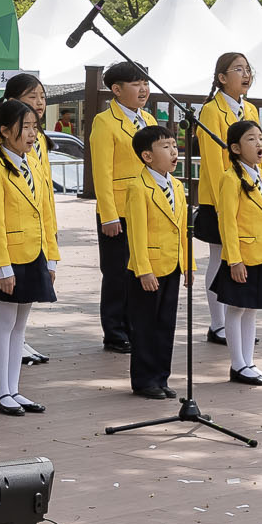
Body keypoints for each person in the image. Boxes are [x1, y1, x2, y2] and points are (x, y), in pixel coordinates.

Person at [0, 98, 58, 415]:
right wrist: (3, 268)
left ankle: (14, 389)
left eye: (35, 127)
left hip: (34, 253)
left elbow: (45, 211)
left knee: (20, 326)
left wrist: (51, 257)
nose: (33, 134)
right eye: (26, 127)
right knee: (5, 321)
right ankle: (0, 392)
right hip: (7, 258)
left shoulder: (33, 162)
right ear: (6, 131)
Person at [90, 62, 159, 354]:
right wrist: (108, 214)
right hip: (118, 209)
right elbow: (102, 173)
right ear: (116, 90)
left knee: (142, 266)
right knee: (118, 272)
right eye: (135, 83)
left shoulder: (150, 119)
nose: (143, 89)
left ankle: (136, 326)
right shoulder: (105, 122)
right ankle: (115, 332)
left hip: (146, 207)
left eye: (145, 82)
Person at [196, 51, 262, 348]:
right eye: (238, 69)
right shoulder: (211, 111)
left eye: (248, 69)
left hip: (248, 196)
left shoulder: (252, 109)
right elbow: (213, 162)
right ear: (222, 78)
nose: (245, 74)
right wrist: (228, 195)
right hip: (220, 196)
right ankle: (218, 323)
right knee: (218, 256)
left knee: (240, 255)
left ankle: (234, 321)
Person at [122, 122, 191, 399]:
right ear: (146, 156)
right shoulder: (138, 188)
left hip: (172, 265)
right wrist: (143, 270)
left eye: (174, 146)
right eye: (165, 147)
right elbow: (136, 234)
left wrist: (188, 264)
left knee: (166, 325)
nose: (173, 151)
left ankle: (162, 377)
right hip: (148, 269)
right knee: (145, 326)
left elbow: (183, 228)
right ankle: (144, 380)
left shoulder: (176, 185)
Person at [207, 118, 262, 384]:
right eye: (251, 139)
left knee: (252, 310)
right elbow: (227, 222)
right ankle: (237, 364)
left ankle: (249, 362)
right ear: (235, 148)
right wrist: (234, 260)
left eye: (260, 138)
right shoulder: (231, 178)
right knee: (236, 308)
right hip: (242, 256)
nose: (259, 143)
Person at [3, 74, 58, 368]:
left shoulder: (41, 140)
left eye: (42, 97)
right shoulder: (3, 149)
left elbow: (45, 187)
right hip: (15, 238)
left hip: (40, 227)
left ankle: (20, 342)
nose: (39, 103)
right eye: (31, 96)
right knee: (10, 309)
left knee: (26, 303)